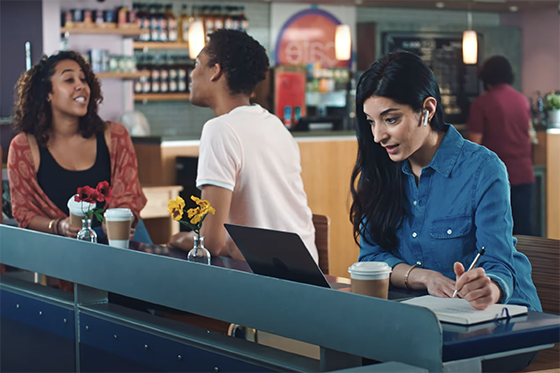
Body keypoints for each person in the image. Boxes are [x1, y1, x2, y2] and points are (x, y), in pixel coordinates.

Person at [350, 50, 541, 312]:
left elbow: (499, 265)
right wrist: (424, 277)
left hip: (500, 318)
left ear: (427, 109)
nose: (377, 136)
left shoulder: (483, 170)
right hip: (425, 317)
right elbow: (371, 258)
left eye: (391, 119)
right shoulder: (378, 172)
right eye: (371, 122)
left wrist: (490, 288)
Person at [168, 29, 318, 262]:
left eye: (197, 63)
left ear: (215, 71)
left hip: (268, 277)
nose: (192, 74)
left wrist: (177, 239)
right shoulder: (276, 125)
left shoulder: (219, 129)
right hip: (306, 269)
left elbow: (211, 242)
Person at [7, 50, 147, 243]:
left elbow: (129, 196)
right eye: (69, 80)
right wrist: (59, 226)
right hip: (60, 247)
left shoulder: (115, 136)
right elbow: (24, 213)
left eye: (83, 79)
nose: (81, 86)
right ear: (47, 93)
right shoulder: (23, 147)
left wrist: (124, 219)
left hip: (120, 243)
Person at [467, 56, 535, 236]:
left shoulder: (481, 103)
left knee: (496, 233)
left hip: (494, 178)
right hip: (524, 173)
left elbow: (474, 145)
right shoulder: (522, 100)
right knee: (524, 233)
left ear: (485, 78)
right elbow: (529, 134)